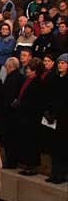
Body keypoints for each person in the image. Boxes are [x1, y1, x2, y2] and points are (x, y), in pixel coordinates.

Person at [16, 58, 44, 176]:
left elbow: (35, 101)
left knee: (32, 142)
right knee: (26, 141)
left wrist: (21, 104)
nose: (27, 70)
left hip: (32, 117)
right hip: (24, 116)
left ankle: (32, 166)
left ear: (35, 71)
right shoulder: (28, 80)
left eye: (30, 69)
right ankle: (27, 164)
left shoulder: (38, 83)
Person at [45, 53, 68, 184]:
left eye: (63, 63)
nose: (60, 65)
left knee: (63, 147)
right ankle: (54, 172)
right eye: (59, 63)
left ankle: (62, 174)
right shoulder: (56, 78)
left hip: (64, 118)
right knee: (54, 147)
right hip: (54, 118)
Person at [1, 57, 25, 169]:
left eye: (6, 67)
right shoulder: (20, 77)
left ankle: (11, 161)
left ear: (10, 67)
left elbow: (8, 96)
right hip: (16, 114)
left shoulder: (11, 78)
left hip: (9, 113)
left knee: (9, 139)